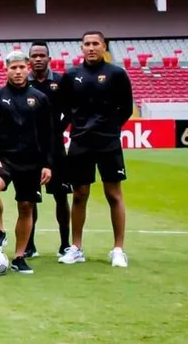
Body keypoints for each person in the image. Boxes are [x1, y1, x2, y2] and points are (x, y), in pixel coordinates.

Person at [58, 31, 133, 267]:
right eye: (87, 44)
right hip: (80, 141)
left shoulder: (117, 74)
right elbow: (65, 107)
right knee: (80, 195)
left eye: (95, 44)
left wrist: (110, 128)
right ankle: (76, 247)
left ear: (104, 47)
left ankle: (118, 249)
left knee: (113, 194)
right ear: (81, 47)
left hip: (108, 142)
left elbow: (126, 108)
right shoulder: (71, 75)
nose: (91, 48)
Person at [0, 51, 54, 274]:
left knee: (26, 207)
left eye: (22, 67)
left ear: (28, 67)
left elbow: (48, 134)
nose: (18, 72)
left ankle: (19, 256)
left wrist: (47, 164)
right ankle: (0, 230)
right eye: (13, 68)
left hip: (31, 162)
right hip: (3, 158)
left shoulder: (40, 98)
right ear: (7, 70)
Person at [28, 40, 72, 258]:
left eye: (41, 55)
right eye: (34, 56)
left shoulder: (61, 82)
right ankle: (29, 245)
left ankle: (65, 244)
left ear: (48, 59)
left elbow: (69, 110)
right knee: (30, 197)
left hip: (55, 149)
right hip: (31, 149)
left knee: (61, 196)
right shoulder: (24, 83)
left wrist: (56, 130)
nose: (38, 59)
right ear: (29, 60)